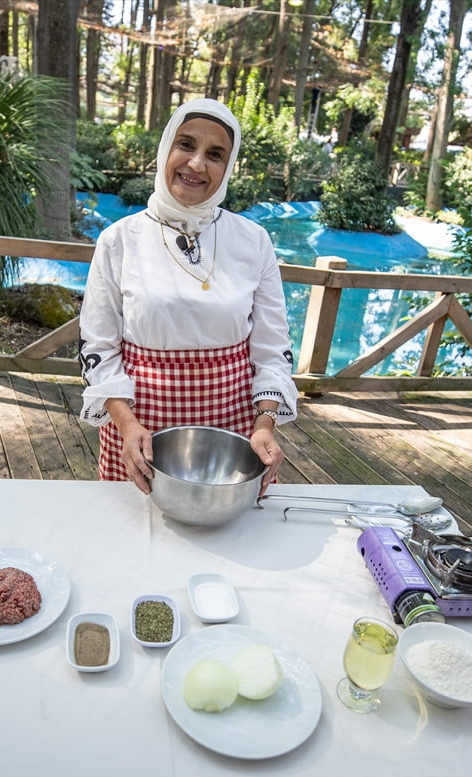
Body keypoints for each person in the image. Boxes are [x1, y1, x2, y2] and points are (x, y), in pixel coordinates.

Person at [78, 98, 298, 495]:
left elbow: (271, 349)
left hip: (233, 440)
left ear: (228, 167)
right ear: (166, 148)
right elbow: (99, 347)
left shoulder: (253, 241)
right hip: (138, 432)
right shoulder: (120, 240)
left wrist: (265, 423)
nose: (196, 164)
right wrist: (126, 424)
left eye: (215, 154)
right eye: (186, 145)